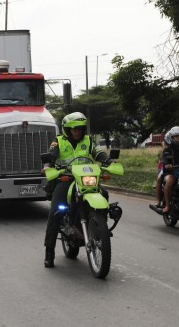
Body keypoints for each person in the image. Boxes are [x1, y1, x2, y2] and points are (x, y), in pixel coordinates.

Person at [42, 112, 111, 268]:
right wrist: (47, 166)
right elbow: (51, 156)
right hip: (65, 179)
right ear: (67, 129)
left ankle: (100, 228)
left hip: (85, 178)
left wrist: (106, 160)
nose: (77, 131)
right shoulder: (58, 141)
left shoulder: (88, 141)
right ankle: (49, 251)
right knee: (55, 212)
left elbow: (97, 152)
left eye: (79, 128)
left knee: (104, 193)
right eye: (73, 129)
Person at [152, 131, 172, 208]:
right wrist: (166, 164)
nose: (178, 138)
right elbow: (162, 159)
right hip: (164, 167)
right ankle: (158, 200)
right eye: (176, 137)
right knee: (160, 178)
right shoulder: (166, 149)